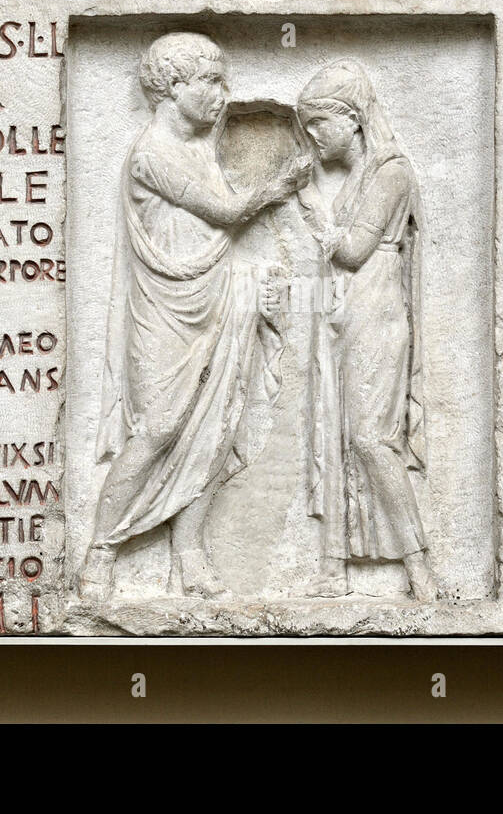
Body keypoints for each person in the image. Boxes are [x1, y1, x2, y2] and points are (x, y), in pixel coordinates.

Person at [78, 32, 310, 602]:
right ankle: (101, 548)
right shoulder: (152, 152)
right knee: (159, 427)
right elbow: (227, 212)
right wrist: (283, 184)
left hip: (223, 297)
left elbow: (223, 229)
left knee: (219, 421)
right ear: (174, 86)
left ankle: (189, 554)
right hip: (167, 310)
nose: (222, 94)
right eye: (211, 81)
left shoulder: (202, 145)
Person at [294, 59, 436, 601]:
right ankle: (333, 567)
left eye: (319, 123)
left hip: (376, 317)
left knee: (372, 440)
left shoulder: (390, 171)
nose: (312, 136)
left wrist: (309, 207)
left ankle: (420, 567)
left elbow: (352, 250)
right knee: (335, 433)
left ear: (352, 119)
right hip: (343, 317)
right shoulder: (359, 175)